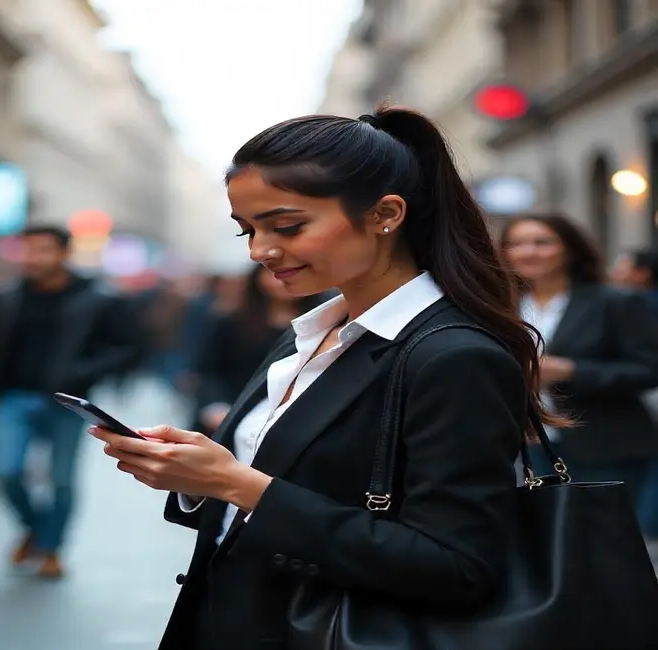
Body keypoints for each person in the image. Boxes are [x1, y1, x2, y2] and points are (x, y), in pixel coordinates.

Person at [90, 108, 550, 650]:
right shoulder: (311, 332)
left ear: (385, 214)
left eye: (287, 226)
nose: (259, 250)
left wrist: (237, 483)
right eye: (248, 229)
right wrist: (201, 476)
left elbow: (457, 566)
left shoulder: (453, 356)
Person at [0, 225, 137, 579]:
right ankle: (36, 528)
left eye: (43, 250)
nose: (34, 258)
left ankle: (51, 549)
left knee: (61, 479)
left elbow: (127, 348)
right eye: (28, 250)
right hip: (13, 398)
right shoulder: (4, 297)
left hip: (65, 402)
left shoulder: (97, 298)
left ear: (63, 253)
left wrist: (84, 372)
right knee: (6, 472)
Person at [500, 216, 658, 513]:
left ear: (569, 249)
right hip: (526, 445)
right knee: (544, 546)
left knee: (604, 546)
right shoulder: (498, 305)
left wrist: (571, 371)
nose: (528, 251)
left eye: (542, 242)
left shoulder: (614, 302)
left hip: (603, 442)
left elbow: (649, 368)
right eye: (516, 244)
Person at [194, 264, 322, 435]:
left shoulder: (324, 324)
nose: (282, 281)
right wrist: (216, 405)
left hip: (293, 422)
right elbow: (209, 370)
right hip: (232, 412)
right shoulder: (234, 322)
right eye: (273, 274)